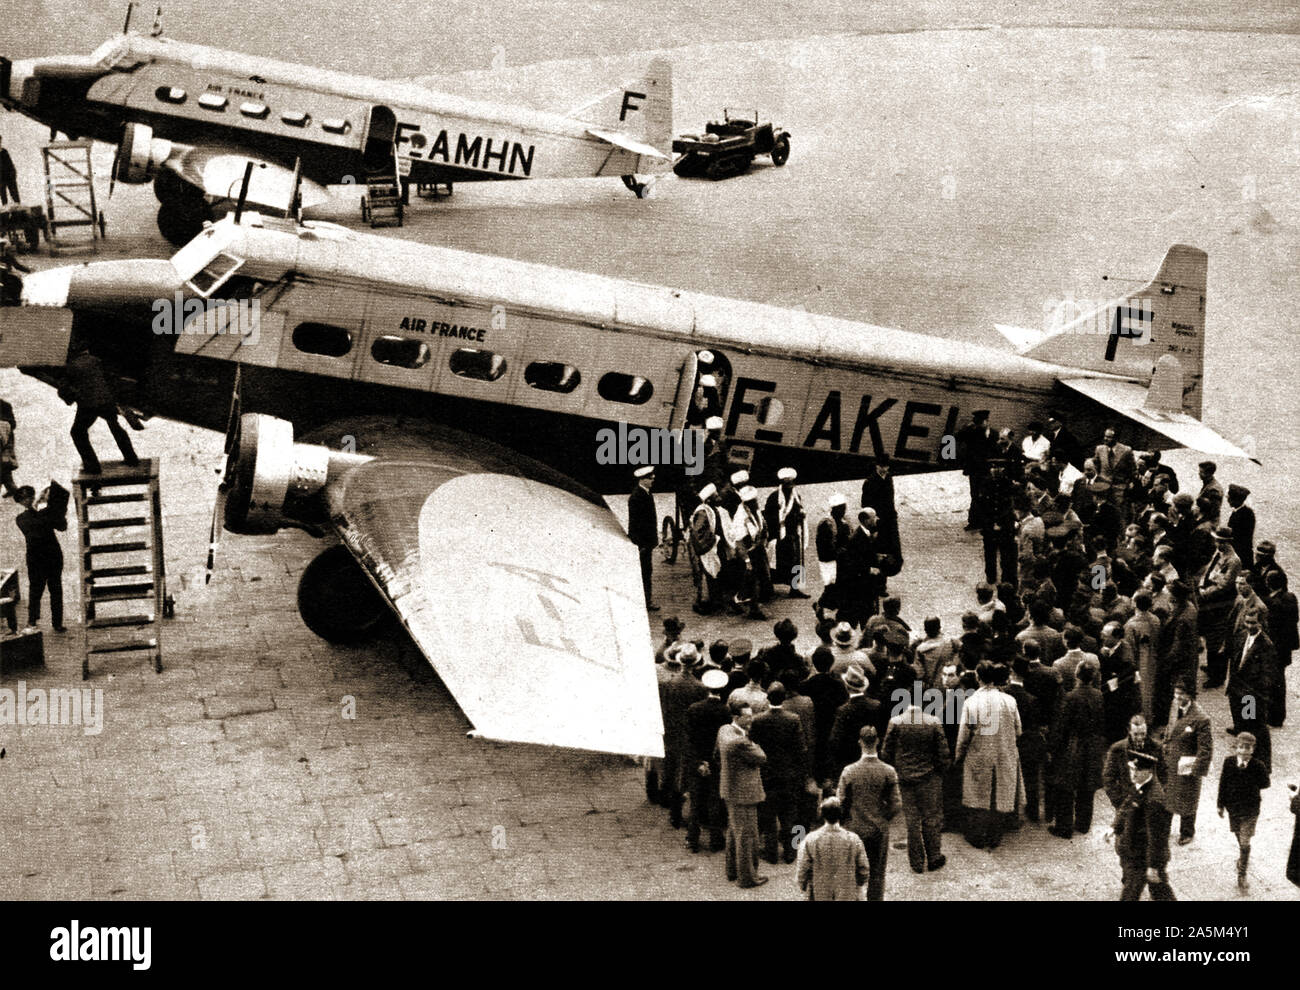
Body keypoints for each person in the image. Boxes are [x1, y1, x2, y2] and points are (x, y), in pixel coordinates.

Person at [955, 660, 1023, 849]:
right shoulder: (1009, 701)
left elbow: (963, 737)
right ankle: (995, 835)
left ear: (978, 678)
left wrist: (958, 756)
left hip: (979, 755)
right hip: (1003, 754)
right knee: (999, 795)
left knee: (977, 796)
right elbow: (1018, 730)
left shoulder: (971, 702)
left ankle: (977, 836)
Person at [882, 685, 950, 873]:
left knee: (911, 821)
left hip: (904, 779)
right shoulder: (933, 721)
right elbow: (943, 753)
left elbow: (886, 752)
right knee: (931, 818)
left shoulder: (896, 721)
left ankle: (917, 862)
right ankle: (934, 857)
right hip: (929, 778)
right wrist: (941, 771)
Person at [837, 725, 901, 901]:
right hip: (879, 829)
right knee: (877, 874)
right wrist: (883, 818)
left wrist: (845, 821)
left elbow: (839, 802)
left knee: (851, 871)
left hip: (854, 828)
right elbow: (896, 804)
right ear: (878, 742)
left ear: (860, 742)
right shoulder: (888, 771)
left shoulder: (849, 771)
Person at [749, 682, 809, 865]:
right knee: (789, 814)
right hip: (788, 774)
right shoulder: (793, 719)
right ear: (784, 699)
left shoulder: (758, 720)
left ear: (768, 698)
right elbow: (801, 749)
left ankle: (771, 852)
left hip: (766, 774)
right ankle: (790, 852)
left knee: (768, 815)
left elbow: (752, 744)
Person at [1049, 661, 1107, 837]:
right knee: (1087, 787)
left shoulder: (1070, 697)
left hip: (1074, 746)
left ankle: (1064, 827)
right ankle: (1083, 824)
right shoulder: (1099, 695)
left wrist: (1053, 748)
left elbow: (1062, 726)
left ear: (1077, 675)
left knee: (1065, 788)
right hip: (1094, 746)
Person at [60, 348, 140, 475]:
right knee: (115, 426)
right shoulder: (96, 361)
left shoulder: (71, 366)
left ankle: (92, 467)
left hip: (88, 405)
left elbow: (64, 390)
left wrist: (71, 398)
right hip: (107, 402)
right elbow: (111, 380)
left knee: (77, 432)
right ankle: (132, 459)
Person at [716, 698, 768, 888]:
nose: (751, 719)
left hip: (729, 789)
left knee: (734, 832)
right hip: (745, 793)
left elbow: (716, 755)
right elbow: (761, 757)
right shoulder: (740, 741)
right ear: (737, 717)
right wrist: (755, 744)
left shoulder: (723, 731)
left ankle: (732, 870)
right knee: (747, 837)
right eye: (747, 716)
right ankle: (747, 877)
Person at [1111, 751, 1176, 901]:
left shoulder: (1154, 799)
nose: (1132, 773)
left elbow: (1157, 837)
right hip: (1139, 852)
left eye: (1136, 770)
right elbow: (1127, 806)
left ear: (1148, 771)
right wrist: (1114, 827)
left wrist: (1153, 865)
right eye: (1132, 769)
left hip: (1144, 857)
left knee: (1130, 895)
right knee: (1160, 891)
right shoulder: (1140, 785)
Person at [685, 668, 731, 854]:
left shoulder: (694, 709)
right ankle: (715, 839)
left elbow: (689, 739)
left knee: (695, 800)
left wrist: (698, 762)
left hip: (697, 760)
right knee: (714, 801)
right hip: (716, 762)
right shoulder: (726, 711)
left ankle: (692, 839)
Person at [1216, 732, 1269, 891]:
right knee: (1238, 834)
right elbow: (1223, 784)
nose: (1244, 751)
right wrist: (1220, 804)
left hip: (1251, 810)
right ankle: (1243, 855)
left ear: (1253, 750)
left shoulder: (1258, 765)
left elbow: (1265, 783)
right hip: (1233, 808)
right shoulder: (1229, 762)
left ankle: (1242, 873)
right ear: (1236, 748)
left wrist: (1251, 779)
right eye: (1241, 747)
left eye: (1248, 748)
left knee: (1245, 841)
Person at [1162, 681, 1212, 844]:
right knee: (1168, 795)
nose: (1177, 697)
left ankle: (1187, 832)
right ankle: (1164, 828)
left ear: (1190, 695)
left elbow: (1205, 749)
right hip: (1171, 759)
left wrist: (1196, 770)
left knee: (1188, 800)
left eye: (1181, 694)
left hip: (1187, 765)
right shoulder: (1174, 705)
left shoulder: (1201, 718)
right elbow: (1171, 726)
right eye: (1176, 693)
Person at [1225, 608, 1275, 771]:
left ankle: (1261, 763)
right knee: (1241, 723)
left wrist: (1254, 696)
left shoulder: (1266, 645)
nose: (1249, 625)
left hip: (1250, 695)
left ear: (1261, 623)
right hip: (1236, 691)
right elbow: (1234, 661)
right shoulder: (1241, 637)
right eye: (1247, 621)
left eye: (1253, 622)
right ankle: (1244, 756)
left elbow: (1266, 676)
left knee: (1253, 727)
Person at [14, 485, 67, 632]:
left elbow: (62, 526)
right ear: (20, 502)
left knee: (55, 589)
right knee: (36, 590)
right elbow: (34, 530)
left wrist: (53, 510)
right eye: (24, 499)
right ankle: (32, 619)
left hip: (53, 556)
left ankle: (57, 622)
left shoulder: (44, 512)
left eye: (30, 497)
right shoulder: (21, 519)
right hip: (36, 559)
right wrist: (43, 510)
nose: (28, 500)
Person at [795, 797, 868, 901]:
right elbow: (863, 867)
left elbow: (803, 867)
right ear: (840, 815)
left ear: (822, 815)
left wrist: (802, 886)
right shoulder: (853, 839)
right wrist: (860, 885)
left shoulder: (810, 839)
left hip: (820, 892)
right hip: (847, 892)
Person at [763, 467, 809, 598]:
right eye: (787, 483)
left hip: (793, 535)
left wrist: (800, 516)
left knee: (796, 563)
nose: (790, 486)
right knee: (777, 563)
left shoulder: (796, 496)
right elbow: (768, 517)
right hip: (780, 536)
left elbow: (799, 510)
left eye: (791, 483)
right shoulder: (774, 497)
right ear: (782, 483)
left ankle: (794, 589)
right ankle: (770, 588)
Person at [1103, 714, 1164, 809]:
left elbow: (1165, 774)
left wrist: (1159, 799)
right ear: (1129, 731)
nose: (1139, 738)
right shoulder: (1117, 749)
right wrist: (1119, 801)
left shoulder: (1157, 747)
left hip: (1150, 806)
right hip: (1127, 804)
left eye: (1143, 734)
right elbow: (1108, 778)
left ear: (1147, 731)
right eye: (1136, 734)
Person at [627, 465, 659, 611]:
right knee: (644, 572)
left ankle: (647, 599)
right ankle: (646, 601)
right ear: (642, 479)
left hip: (647, 542)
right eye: (650, 477)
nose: (653, 479)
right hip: (643, 543)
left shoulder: (646, 494)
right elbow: (636, 524)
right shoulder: (637, 497)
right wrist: (642, 545)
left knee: (647, 571)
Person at [956, 409, 994, 530]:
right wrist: (968, 427)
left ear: (986, 421)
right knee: (975, 495)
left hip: (986, 469)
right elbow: (958, 436)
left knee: (984, 494)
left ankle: (982, 520)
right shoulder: (971, 431)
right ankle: (974, 521)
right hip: (975, 469)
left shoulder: (992, 433)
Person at [860, 454, 901, 567]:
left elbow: (890, 499)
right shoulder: (869, 482)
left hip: (890, 518)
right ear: (877, 466)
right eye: (881, 467)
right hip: (878, 520)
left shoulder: (889, 478)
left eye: (886, 467)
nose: (884, 469)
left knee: (894, 547)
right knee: (879, 548)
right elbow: (865, 504)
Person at [815, 494, 850, 620]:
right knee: (830, 586)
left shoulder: (843, 522)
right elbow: (824, 546)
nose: (844, 511)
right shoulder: (826, 524)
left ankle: (831, 606)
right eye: (842, 508)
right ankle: (821, 605)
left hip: (839, 560)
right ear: (835, 509)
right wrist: (838, 552)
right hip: (828, 561)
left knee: (837, 585)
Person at [0, 397, 19, 498]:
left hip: (3, 441)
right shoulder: (6, 405)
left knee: (4, 469)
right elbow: (13, 424)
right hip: (5, 441)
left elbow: (13, 424)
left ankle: (14, 491)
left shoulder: (4, 405)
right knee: (5, 472)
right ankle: (13, 490)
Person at [0, 134, 20, 205]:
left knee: (15, 195)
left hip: (9, 176)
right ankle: (6, 211)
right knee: (3, 196)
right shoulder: (4, 151)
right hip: (1, 178)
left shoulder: (4, 151)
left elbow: (10, 164)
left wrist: (13, 173)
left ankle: (18, 208)